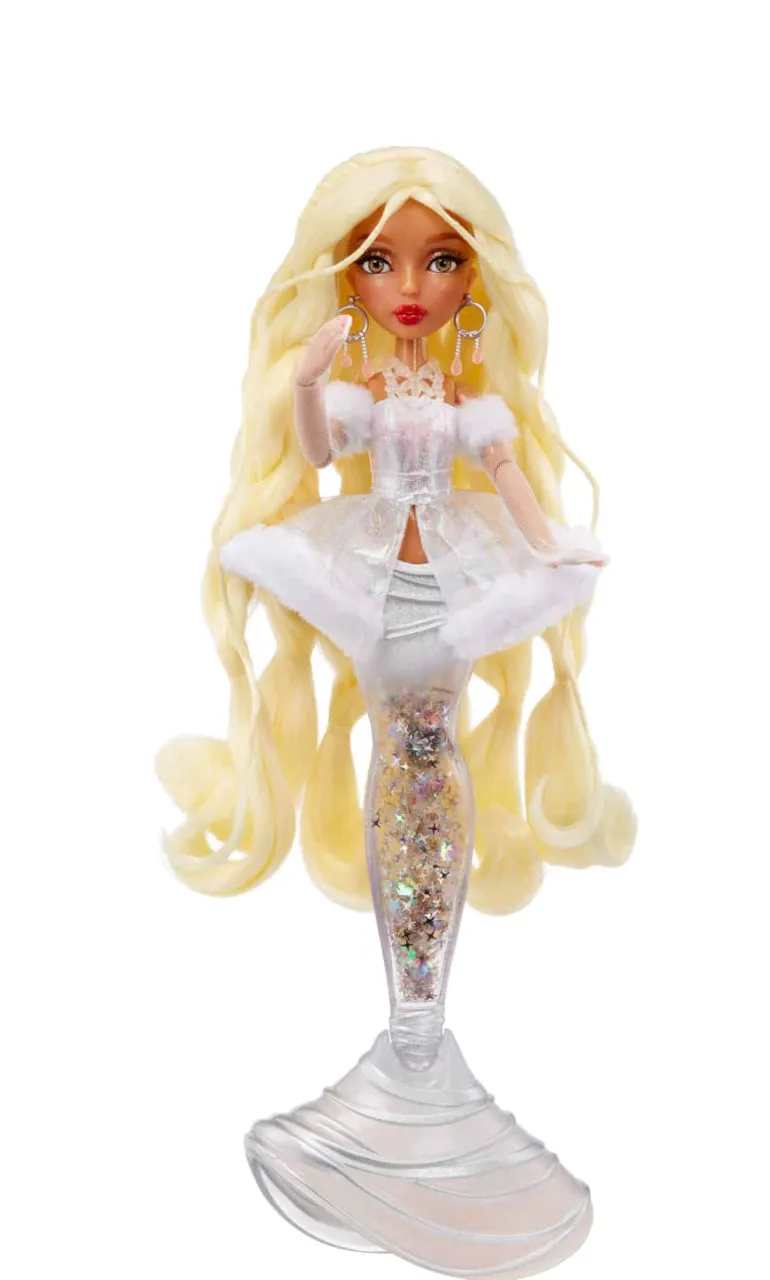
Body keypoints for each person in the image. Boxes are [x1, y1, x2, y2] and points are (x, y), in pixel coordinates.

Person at [156, 146, 637, 1276]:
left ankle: (418, 1034)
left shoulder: (465, 398)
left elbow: (508, 482)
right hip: (371, 564)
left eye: (441, 259)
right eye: (379, 261)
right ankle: (412, 1037)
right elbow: (321, 453)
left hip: (452, 573)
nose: (411, 284)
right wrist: (305, 379)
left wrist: (552, 545)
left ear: (475, 277)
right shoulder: (366, 391)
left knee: (428, 753)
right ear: (346, 277)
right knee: (407, 752)